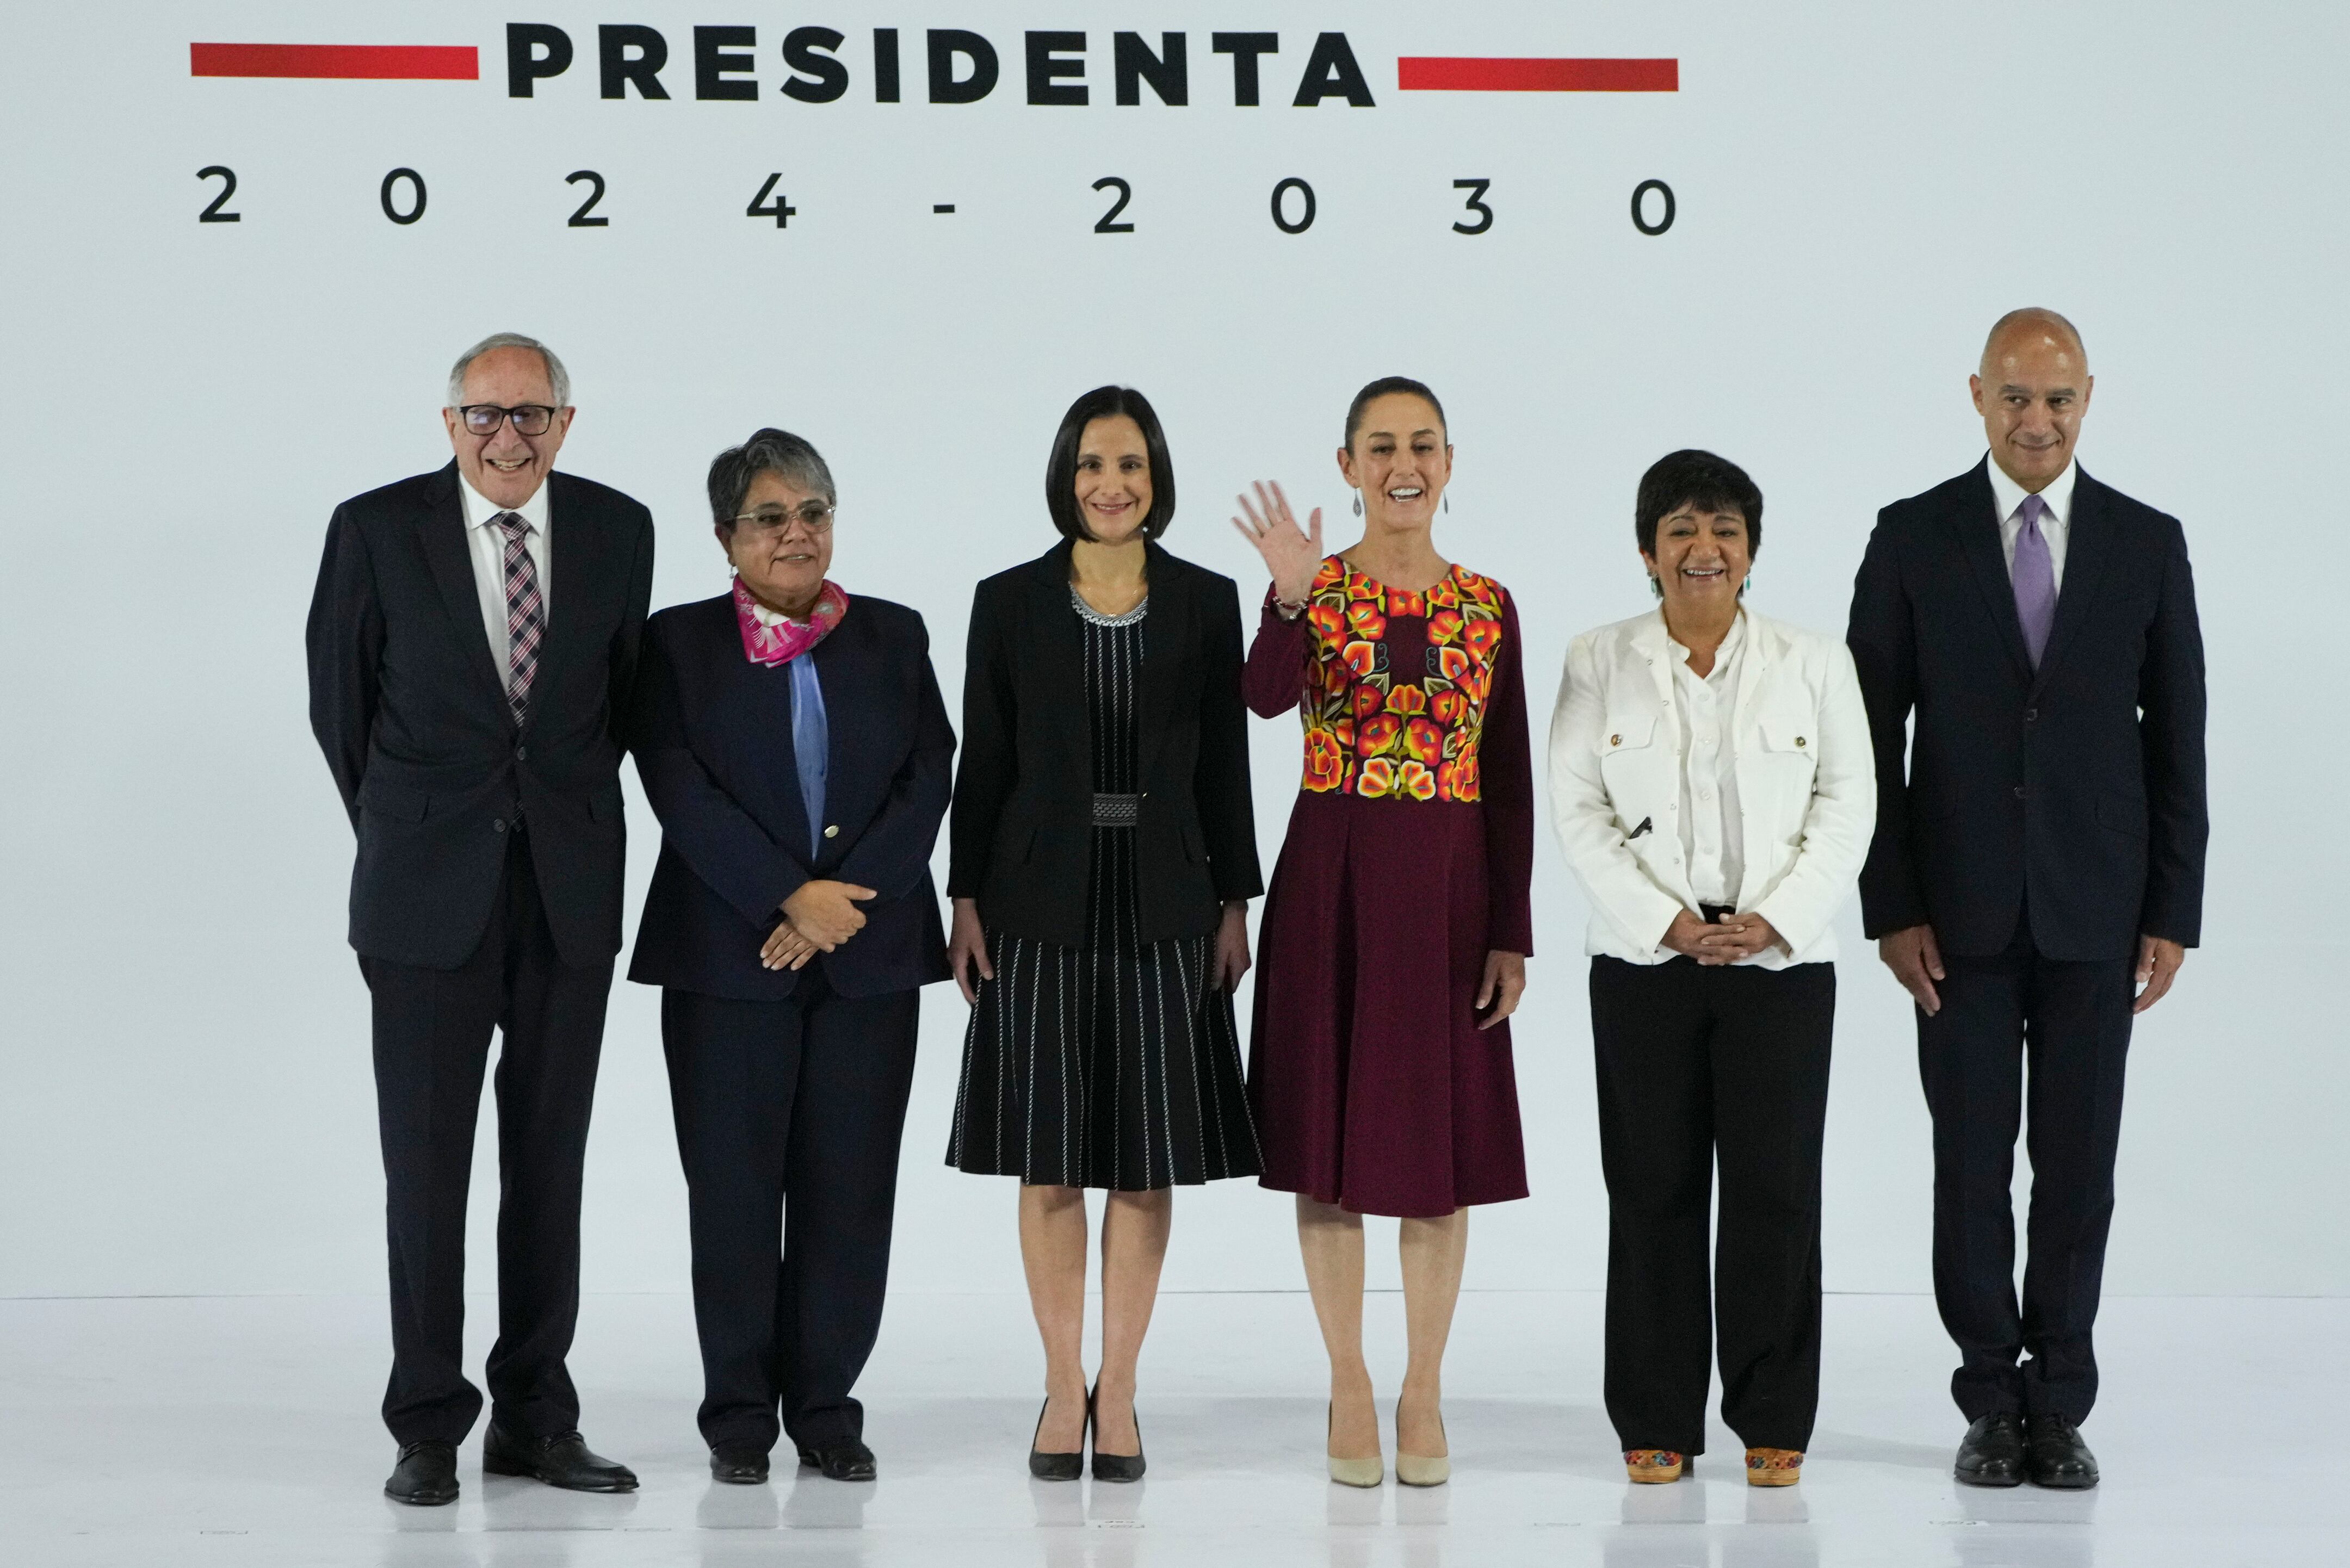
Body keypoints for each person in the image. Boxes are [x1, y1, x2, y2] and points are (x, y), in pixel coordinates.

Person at [1847, 309, 2207, 1490]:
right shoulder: (1913, 536)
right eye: (2014, 397)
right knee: (1968, 1159)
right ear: (1977, 396)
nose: (2036, 419)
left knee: (2078, 1162)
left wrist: (2174, 907)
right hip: (1954, 916)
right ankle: (1988, 1395)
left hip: (2100, 910)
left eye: (2056, 399)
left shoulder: (2149, 543)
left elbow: (2180, 743)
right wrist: (1892, 902)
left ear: (2089, 398)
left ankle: (2061, 1397)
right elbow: (1866, 738)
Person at [306, 333, 654, 1506]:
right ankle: (428, 1423)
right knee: (427, 1170)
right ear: (449, 422)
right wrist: (416, 827)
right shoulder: (375, 528)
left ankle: (536, 1418)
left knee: (549, 1163)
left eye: (532, 414)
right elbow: (340, 705)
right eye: (486, 415)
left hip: (568, 895)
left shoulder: (618, 529)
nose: (509, 436)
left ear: (566, 421)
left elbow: (618, 703)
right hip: (423, 901)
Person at [944, 386, 1263, 1483]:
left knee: (1142, 1160)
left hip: (1170, 901)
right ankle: (1057, 1379)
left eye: (1128, 462)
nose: (1109, 483)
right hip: (1036, 902)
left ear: (1157, 474)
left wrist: (1236, 901)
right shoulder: (1008, 600)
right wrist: (965, 899)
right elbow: (982, 763)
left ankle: (1118, 1388)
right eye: (1090, 463)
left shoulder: (1208, 601)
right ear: (1064, 475)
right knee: (1048, 1163)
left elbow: (1229, 760)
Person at [628, 429, 954, 1485]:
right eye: (771, 516)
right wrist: (787, 895)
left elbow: (929, 773)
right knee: (731, 1192)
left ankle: (825, 1406)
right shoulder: (676, 643)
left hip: (869, 959)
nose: (797, 532)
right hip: (728, 961)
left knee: (849, 1193)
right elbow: (677, 784)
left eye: (814, 511)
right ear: (726, 535)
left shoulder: (893, 635)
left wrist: (838, 906)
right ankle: (737, 1416)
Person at [1547, 450, 1874, 1488]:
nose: (1705, 548)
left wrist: (1774, 919)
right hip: (1646, 966)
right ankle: (1655, 1419)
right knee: (1653, 1190)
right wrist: (1667, 922)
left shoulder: (1815, 661)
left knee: (1778, 1193)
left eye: (1725, 528)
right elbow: (1578, 810)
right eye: (1682, 528)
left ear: (1752, 550)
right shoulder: (1598, 658)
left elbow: (1848, 804)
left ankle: (1773, 1414)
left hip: (1782, 968)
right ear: (1648, 552)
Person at [1230, 376, 1532, 1489]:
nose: (1403, 464)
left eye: (1423, 445)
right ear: (1348, 465)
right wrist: (1289, 597)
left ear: (1450, 463)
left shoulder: (1491, 602)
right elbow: (1261, 701)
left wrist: (1514, 928)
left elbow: (1508, 780)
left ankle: (1424, 1384)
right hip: (1333, 876)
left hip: (1452, 888)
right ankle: (1350, 1376)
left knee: (1438, 1157)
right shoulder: (1317, 587)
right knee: (1328, 1150)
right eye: (1380, 446)